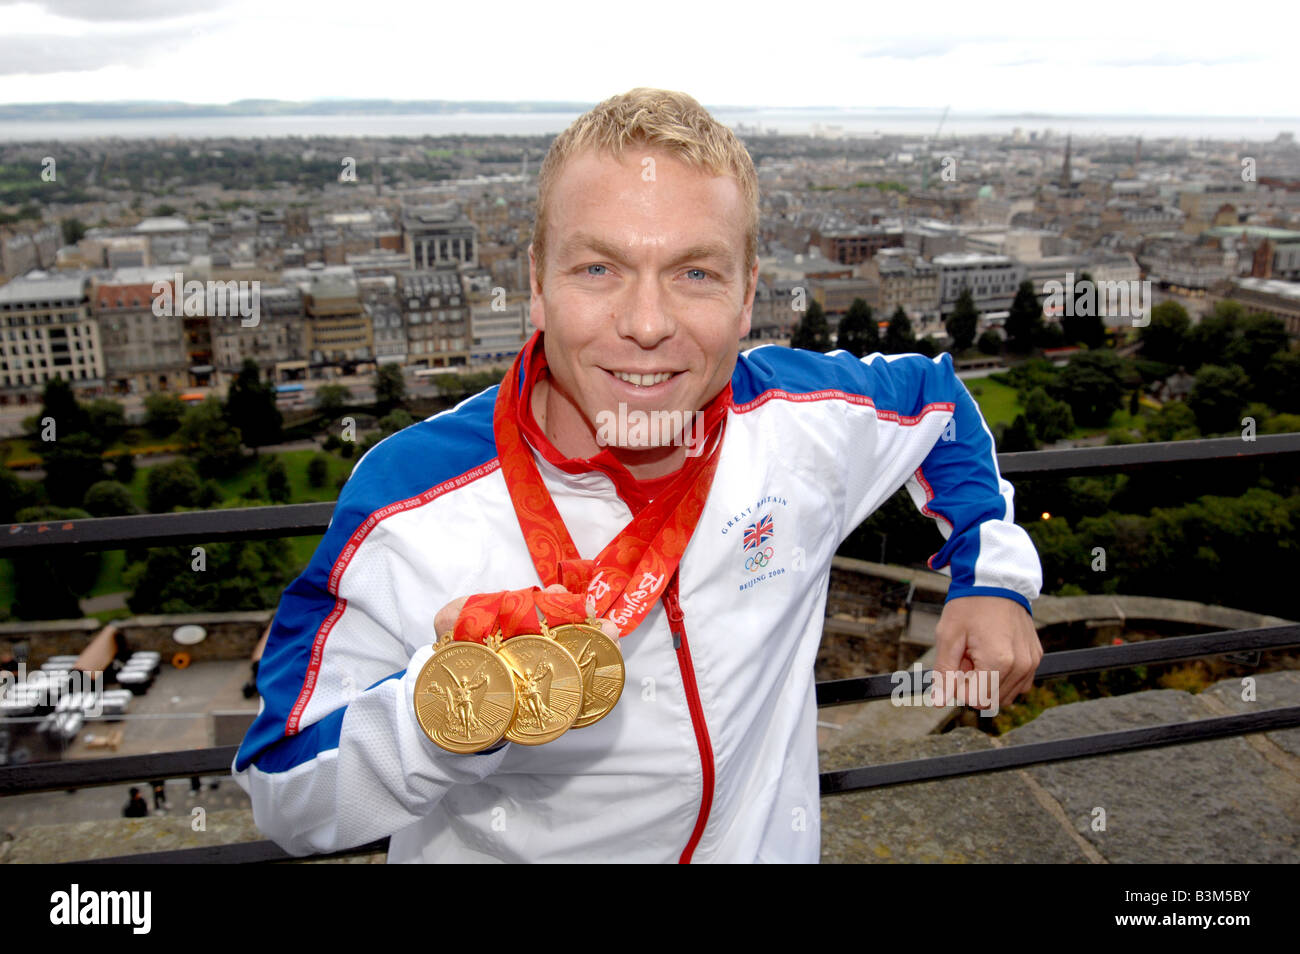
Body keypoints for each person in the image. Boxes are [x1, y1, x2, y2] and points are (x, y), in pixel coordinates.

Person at [233, 88, 1044, 863]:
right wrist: (446, 708)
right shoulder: (408, 500)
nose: (647, 325)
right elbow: (282, 789)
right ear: (537, 287)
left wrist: (989, 576)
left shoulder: (804, 418)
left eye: (696, 273)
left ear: (746, 294)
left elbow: (939, 402)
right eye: (598, 270)